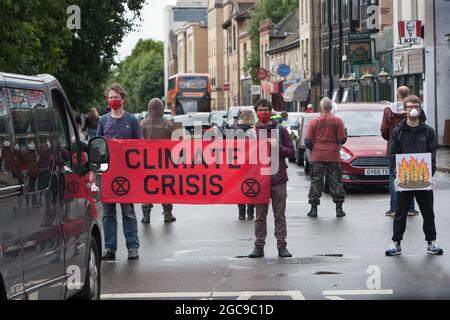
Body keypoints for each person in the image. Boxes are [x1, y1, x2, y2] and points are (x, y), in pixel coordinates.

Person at [385, 95, 443, 256]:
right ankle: (396, 243)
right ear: (405, 110)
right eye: (410, 107)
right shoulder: (398, 131)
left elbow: (432, 155)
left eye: (416, 106)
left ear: (420, 108)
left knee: (428, 213)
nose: (413, 109)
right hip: (405, 179)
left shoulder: (428, 131)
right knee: (400, 213)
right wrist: (396, 174)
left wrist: (429, 174)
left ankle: (431, 243)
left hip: (423, 179)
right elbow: (393, 153)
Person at [97, 83, 143, 260]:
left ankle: (133, 247)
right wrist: (95, 173)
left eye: (116, 97)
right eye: (110, 98)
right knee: (108, 213)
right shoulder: (103, 121)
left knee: (128, 212)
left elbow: (140, 146)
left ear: (122, 99)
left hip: (126, 175)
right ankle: (110, 248)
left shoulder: (131, 121)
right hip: (108, 174)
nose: (113, 100)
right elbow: (99, 146)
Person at [248, 99, 295, 258]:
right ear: (256, 112)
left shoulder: (280, 131)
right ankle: (258, 246)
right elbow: (242, 156)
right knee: (260, 216)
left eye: (266, 110)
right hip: (259, 180)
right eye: (260, 110)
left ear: (270, 111)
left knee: (279, 215)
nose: (263, 113)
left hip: (278, 179)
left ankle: (282, 246)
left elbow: (291, 152)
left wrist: (278, 148)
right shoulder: (251, 133)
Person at [380, 86, 423, 217]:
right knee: (412, 174)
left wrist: (392, 140)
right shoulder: (414, 109)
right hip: (412, 146)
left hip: (394, 148)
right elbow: (422, 125)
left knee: (394, 177)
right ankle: (410, 207)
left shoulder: (388, 111)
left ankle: (394, 207)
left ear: (397, 94)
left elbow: (384, 130)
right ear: (409, 94)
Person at [304, 97, 347, 218]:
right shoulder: (337, 121)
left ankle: (313, 209)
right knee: (336, 182)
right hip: (333, 156)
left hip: (317, 156)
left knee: (316, 182)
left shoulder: (313, 122)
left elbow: (307, 140)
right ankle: (339, 209)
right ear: (331, 108)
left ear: (321, 107)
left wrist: (315, 149)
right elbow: (342, 139)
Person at [139, 98, 176, 224]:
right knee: (166, 187)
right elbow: (179, 143)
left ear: (149, 109)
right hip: (165, 163)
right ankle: (167, 214)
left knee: (148, 188)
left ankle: (146, 215)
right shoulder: (169, 124)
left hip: (147, 163)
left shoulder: (142, 124)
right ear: (162, 109)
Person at [235, 109, 257, 221]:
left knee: (240, 188)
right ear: (248, 119)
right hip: (250, 164)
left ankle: (241, 213)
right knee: (251, 187)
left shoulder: (234, 131)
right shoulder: (251, 132)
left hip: (237, 165)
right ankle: (250, 212)